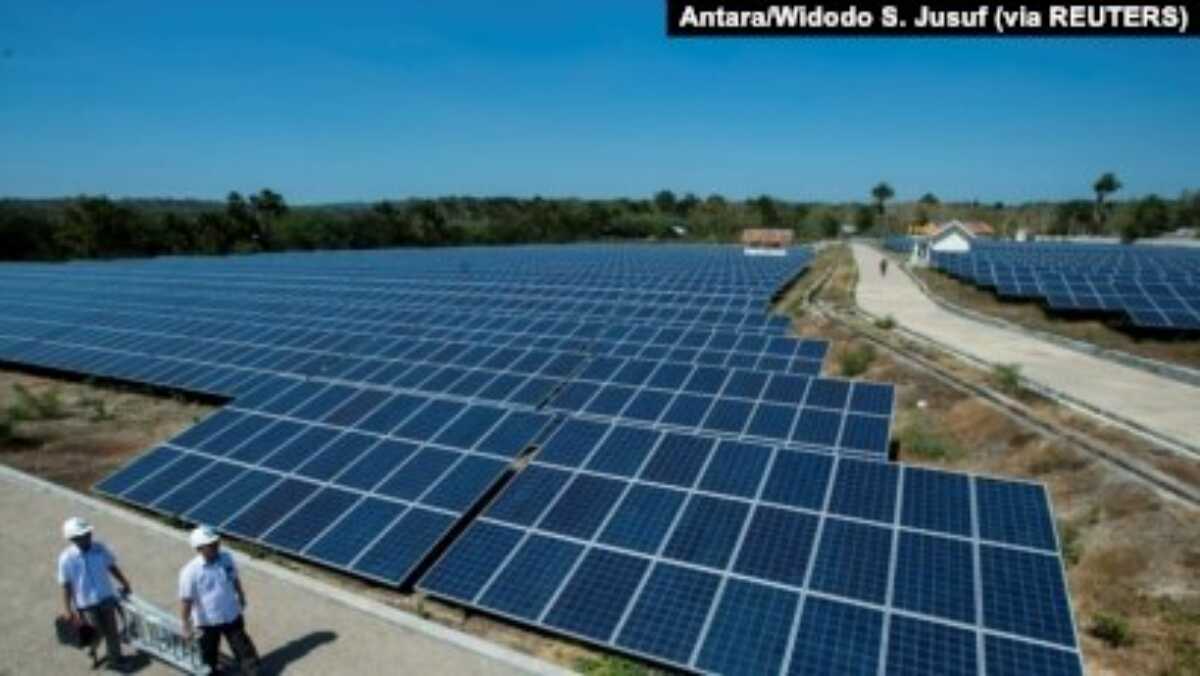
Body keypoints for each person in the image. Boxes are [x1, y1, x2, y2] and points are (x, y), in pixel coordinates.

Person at [179, 526, 260, 675]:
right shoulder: (190, 572)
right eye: (211, 545)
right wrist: (185, 625)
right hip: (207, 622)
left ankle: (252, 672)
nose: (216, 546)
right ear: (199, 548)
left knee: (244, 648)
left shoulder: (226, 558)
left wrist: (240, 595)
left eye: (217, 542)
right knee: (209, 655)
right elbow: (186, 600)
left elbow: (234, 578)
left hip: (231, 614)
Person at [57, 516, 132, 672]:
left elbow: (111, 566)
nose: (88, 537)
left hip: (106, 597)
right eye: (83, 535)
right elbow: (66, 585)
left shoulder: (99, 548)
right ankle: (93, 652)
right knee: (96, 633)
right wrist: (67, 609)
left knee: (112, 631)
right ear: (73, 539)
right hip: (86, 604)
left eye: (88, 533)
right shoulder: (66, 559)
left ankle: (115, 660)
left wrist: (124, 582)